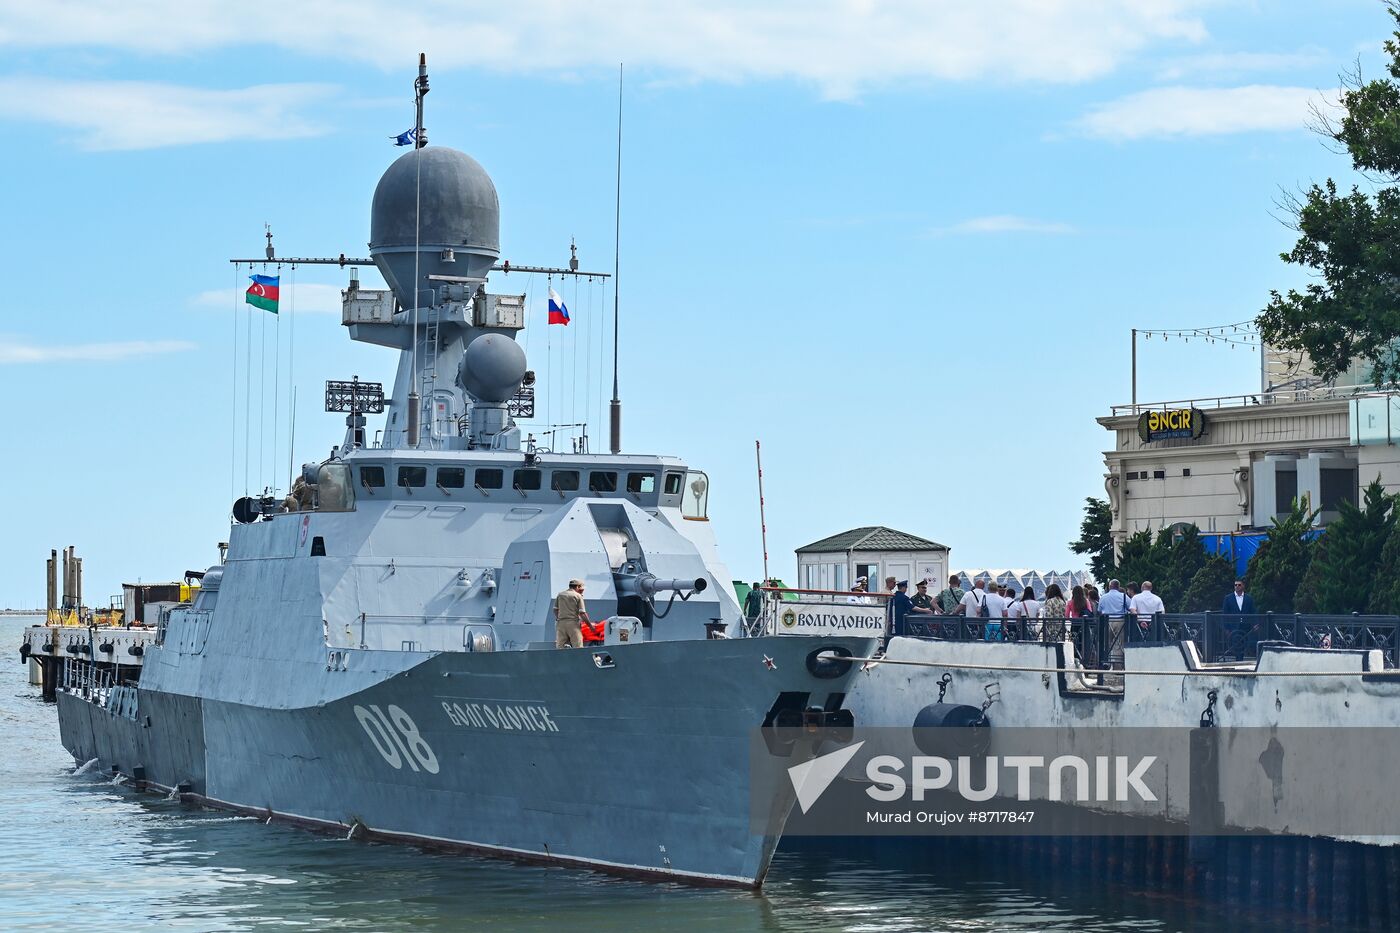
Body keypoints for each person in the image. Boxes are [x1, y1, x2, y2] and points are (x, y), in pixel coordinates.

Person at [553, 579, 590, 648]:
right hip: (573, 624)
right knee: (577, 646)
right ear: (578, 587)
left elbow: (555, 609)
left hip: (561, 623)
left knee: (560, 646)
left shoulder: (560, 595)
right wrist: (590, 626)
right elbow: (582, 613)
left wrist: (560, 618)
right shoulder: (578, 596)